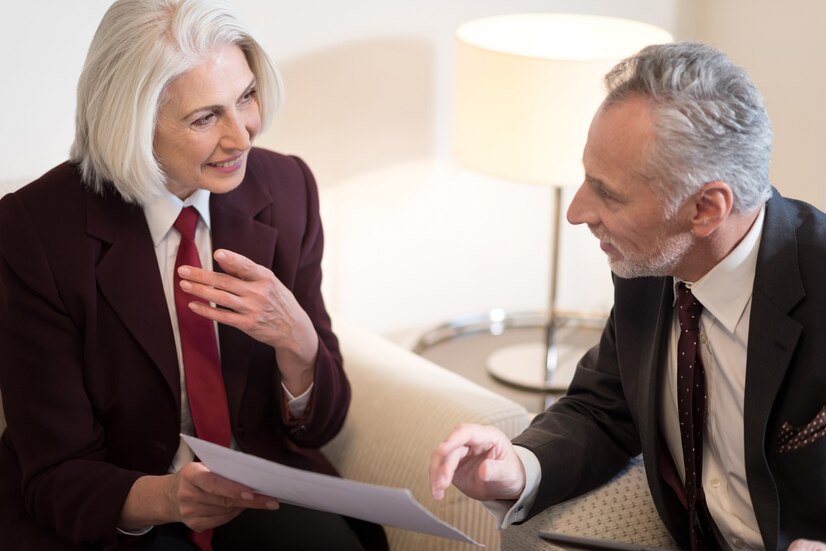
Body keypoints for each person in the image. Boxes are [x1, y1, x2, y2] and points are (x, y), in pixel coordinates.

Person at [0, 0, 386, 549]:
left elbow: (322, 425)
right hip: (118, 506)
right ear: (129, 122)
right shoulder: (37, 231)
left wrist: (298, 344)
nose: (242, 136)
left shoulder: (287, 189)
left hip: (256, 495)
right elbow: (57, 469)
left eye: (246, 97)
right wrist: (166, 498)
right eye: (206, 117)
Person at [430, 42, 826, 551]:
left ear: (705, 209)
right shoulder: (650, 266)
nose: (576, 211)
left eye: (607, 192)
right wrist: (519, 466)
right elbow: (604, 407)